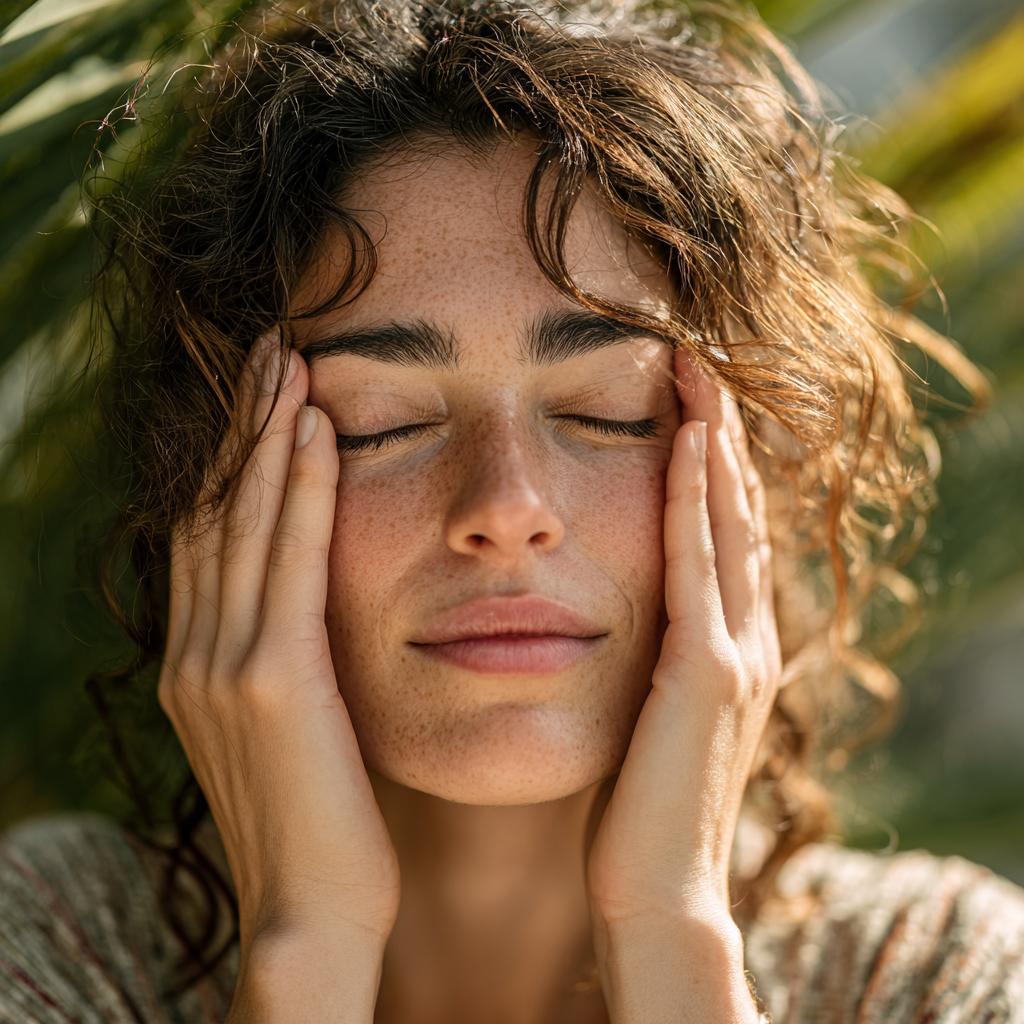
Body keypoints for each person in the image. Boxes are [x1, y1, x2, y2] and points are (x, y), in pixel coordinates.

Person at [2, 1, 1022, 1021]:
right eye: (380, 421)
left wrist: (670, 936)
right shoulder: (48, 941)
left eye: (606, 408)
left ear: (755, 467)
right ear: (211, 480)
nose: (506, 507)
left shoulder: (935, 977)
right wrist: (306, 946)